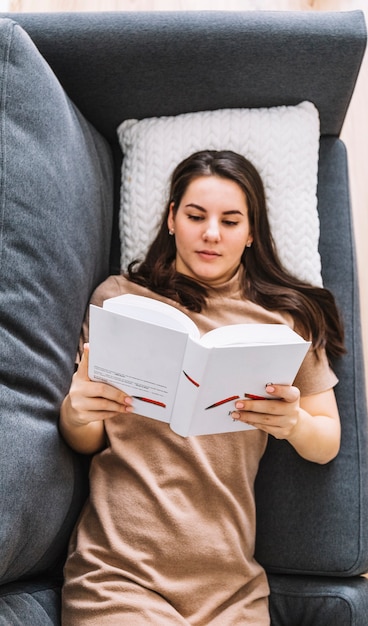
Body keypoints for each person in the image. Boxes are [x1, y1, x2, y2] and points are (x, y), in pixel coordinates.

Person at [60, 150, 345, 625]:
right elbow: (87, 439)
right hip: (118, 577)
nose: (211, 233)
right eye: (196, 216)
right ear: (172, 218)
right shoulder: (120, 300)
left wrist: (292, 423)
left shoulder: (284, 322)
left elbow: (327, 443)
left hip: (232, 590)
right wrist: (77, 411)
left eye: (230, 221)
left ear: (252, 232)